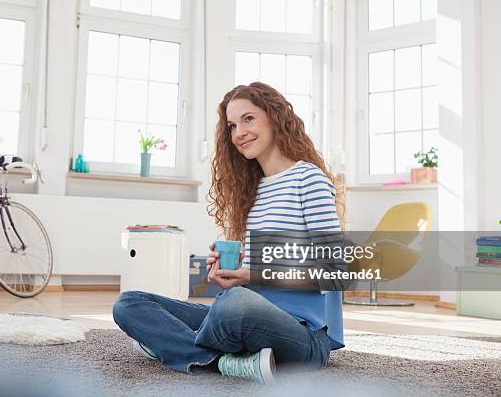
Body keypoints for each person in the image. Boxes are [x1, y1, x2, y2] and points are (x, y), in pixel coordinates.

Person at [113, 82, 346, 384]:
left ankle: (174, 346)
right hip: (246, 317)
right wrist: (232, 272)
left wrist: (252, 275)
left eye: (248, 119)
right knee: (129, 304)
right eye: (232, 125)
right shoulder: (252, 190)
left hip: (302, 335)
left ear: (275, 117)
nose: (239, 133)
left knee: (232, 306)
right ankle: (222, 360)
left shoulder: (308, 178)